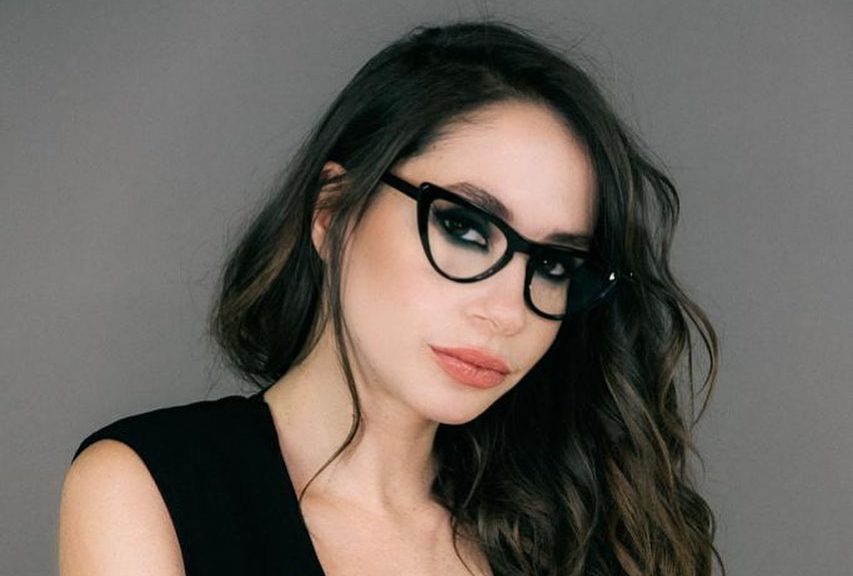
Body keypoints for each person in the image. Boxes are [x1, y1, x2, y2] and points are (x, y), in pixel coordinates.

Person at [59, 20, 723, 576]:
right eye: (465, 229)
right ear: (332, 212)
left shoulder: (578, 529)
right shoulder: (151, 488)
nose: (506, 312)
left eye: (552, 264)